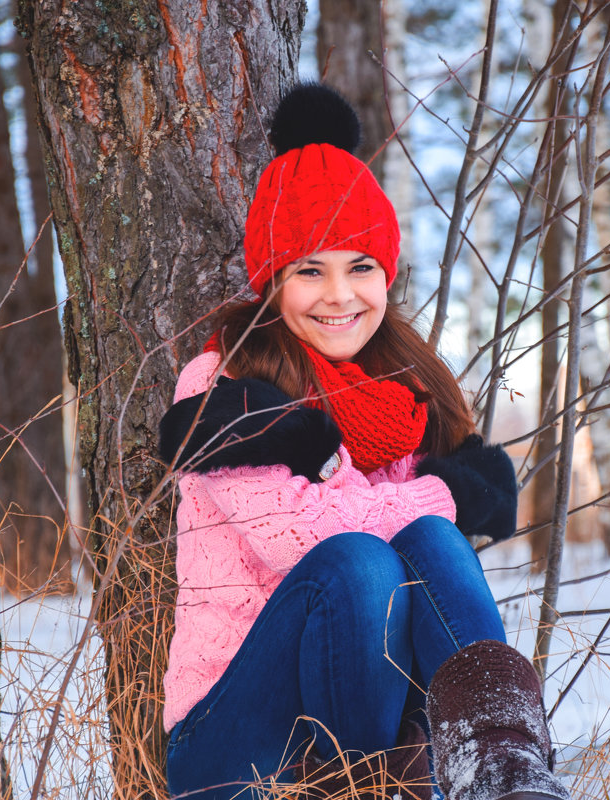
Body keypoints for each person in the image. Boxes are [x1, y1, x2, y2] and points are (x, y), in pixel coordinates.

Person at [158, 83, 571, 800]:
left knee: (432, 543)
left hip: (379, 726)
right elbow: (298, 538)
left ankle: (504, 769)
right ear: (272, 282)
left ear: (387, 275)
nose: (339, 295)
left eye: (360, 267)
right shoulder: (223, 387)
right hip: (234, 744)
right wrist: (446, 492)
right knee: (358, 559)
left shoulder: (405, 390)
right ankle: (375, 785)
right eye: (309, 270)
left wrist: (435, 503)